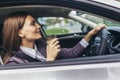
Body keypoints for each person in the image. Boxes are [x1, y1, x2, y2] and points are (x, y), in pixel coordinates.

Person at [2, 11, 106, 64]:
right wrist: (50, 60)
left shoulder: (42, 45)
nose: (39, 26)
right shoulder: (14, 62)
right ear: (20, 33)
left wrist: (90, 34)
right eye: (33, 24)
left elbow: (73, 53)